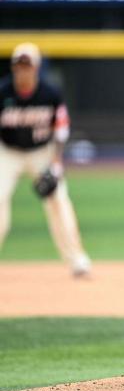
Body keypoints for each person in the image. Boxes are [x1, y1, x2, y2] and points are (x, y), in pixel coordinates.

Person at [0, 42, 91, 277]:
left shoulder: (49, 94)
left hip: (42, 152)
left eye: (27, 66)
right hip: (8, 152)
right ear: (13, 68)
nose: (23, 71)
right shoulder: (3, 92)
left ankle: (77, 259)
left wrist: (56, 163)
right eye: (19, 66)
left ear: (36, 68)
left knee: (59, 201)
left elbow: (61, 130)